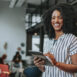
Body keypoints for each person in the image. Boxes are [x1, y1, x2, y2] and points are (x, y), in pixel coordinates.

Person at [34, 3, 77, 77]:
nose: (56, 21)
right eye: (53, 18)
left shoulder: (72, 39)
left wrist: (57, 63)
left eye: (60, 17)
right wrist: (39, 65)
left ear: (66, 19)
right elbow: (45, 69)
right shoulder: (48, 40)